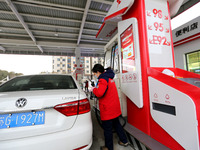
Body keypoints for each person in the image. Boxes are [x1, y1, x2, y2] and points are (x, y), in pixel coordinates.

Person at [91, 64, 128, 150]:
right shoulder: (109, 78)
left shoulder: (103, 80)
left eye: (95, 74)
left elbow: (100, 93)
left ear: (98, 72)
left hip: (107, 109)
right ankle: (124, 141)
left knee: (107, 130)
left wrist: (93, 89)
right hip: (114, 108)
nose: (95, 76)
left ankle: (109, 147)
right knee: (117, 125)